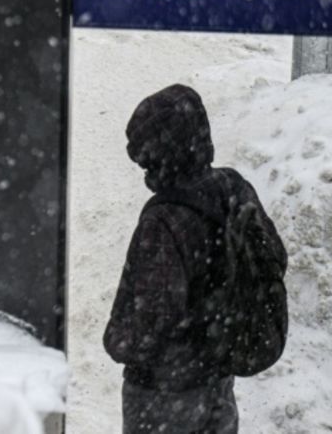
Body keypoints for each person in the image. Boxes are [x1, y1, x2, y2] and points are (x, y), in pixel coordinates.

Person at [103, 84, 285, 434]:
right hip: (218, 380)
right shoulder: (233, 186)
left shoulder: (163, 220)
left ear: (161, 153)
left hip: (163, 396)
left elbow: (155, 320)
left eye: (146, 159)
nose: (144, 169)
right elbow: (273, 257)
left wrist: (116, 340)